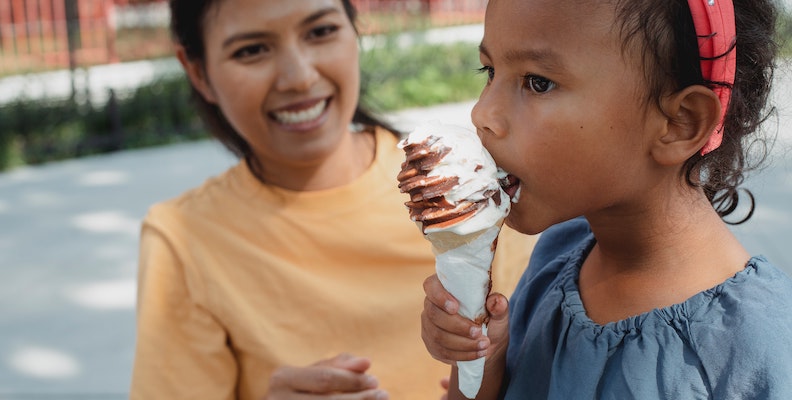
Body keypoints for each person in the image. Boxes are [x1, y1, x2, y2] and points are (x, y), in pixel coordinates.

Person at [129, 0, 535, 399]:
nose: (300, 77)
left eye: (320, 31)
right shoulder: (184, 239)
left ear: (354, 28)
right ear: (198, 73)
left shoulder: (473, 187)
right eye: (251, 50)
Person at [421, 0, 792, 398]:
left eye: (537, 82)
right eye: (490, 71)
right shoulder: (556, 256)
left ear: (679, 122)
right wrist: (483, 360)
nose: (482, 112)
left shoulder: (755, 345)